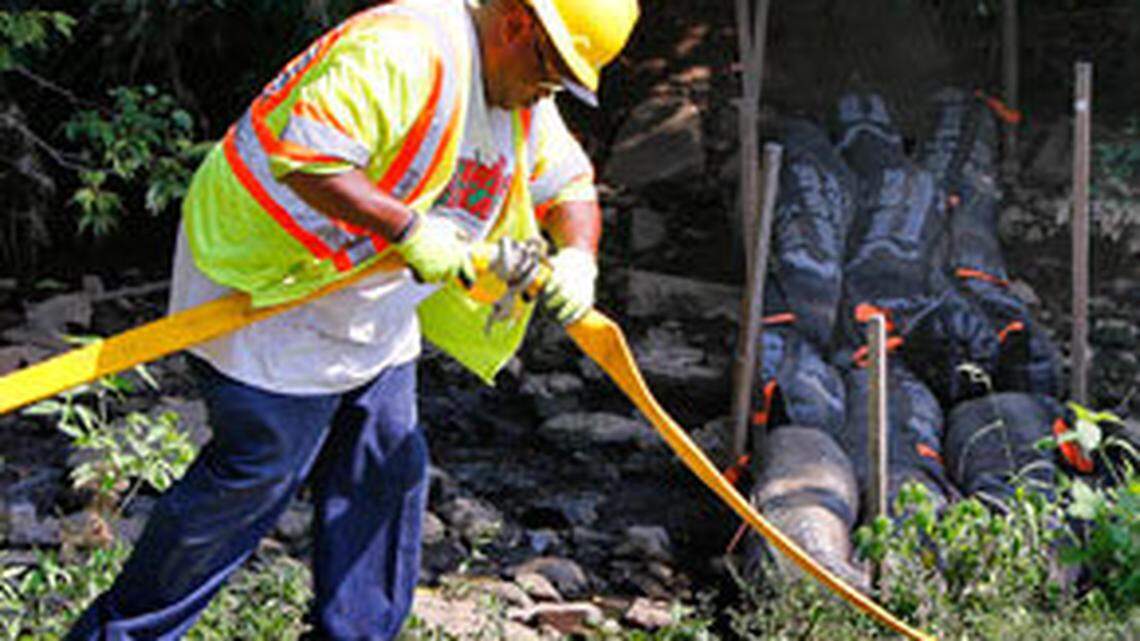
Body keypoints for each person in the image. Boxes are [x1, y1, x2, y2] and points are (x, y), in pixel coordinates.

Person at [66, 0, 639, 638]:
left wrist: (579, 258)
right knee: (256, 475)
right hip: (266, 290)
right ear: (516, 26)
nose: (547, 92)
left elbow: (570, 187)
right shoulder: (402, 51)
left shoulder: (520, 94)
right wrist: (406, 227)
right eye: (550, 74)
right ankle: (122, 634)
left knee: (385, 470)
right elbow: (310, 160)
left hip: (369, 305)